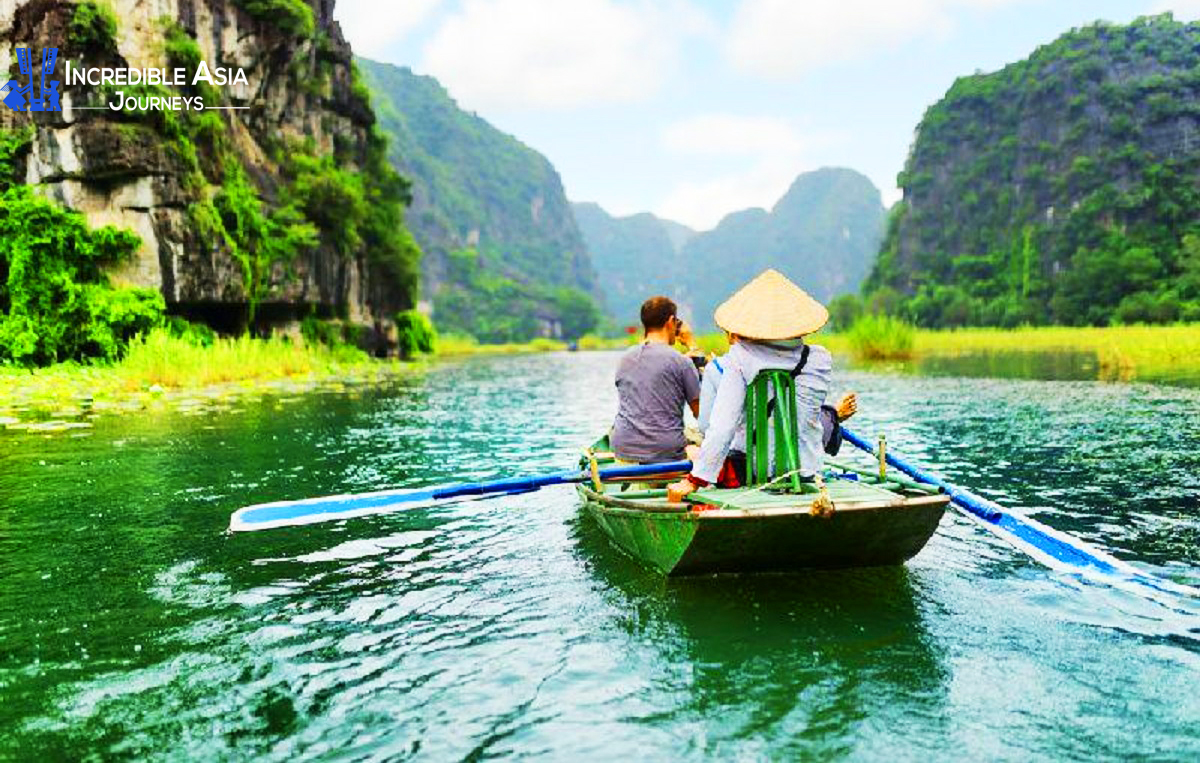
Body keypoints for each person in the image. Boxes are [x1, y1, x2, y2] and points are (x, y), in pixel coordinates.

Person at [668, 269, 837, 500]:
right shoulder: (820, 359)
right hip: (809, 471)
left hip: (758, 474)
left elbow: (720, 427)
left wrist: (695, 480)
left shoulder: (738, 359)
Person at [697, 332, 858, 486]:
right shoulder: (818, 359)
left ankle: (833, 414)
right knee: (816, 417)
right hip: (806, 468)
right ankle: (834, 414)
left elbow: (708, 427)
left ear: (732, 336)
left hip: (750, 470)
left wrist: (697, 479)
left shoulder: (726, 365)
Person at [609, 296, 702, 464]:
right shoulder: (682, 362)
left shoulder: (625, 358)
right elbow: (701, 414)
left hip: (622, 449)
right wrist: (691, 344)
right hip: (666, 453)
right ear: (671, 321)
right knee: (698, 447)